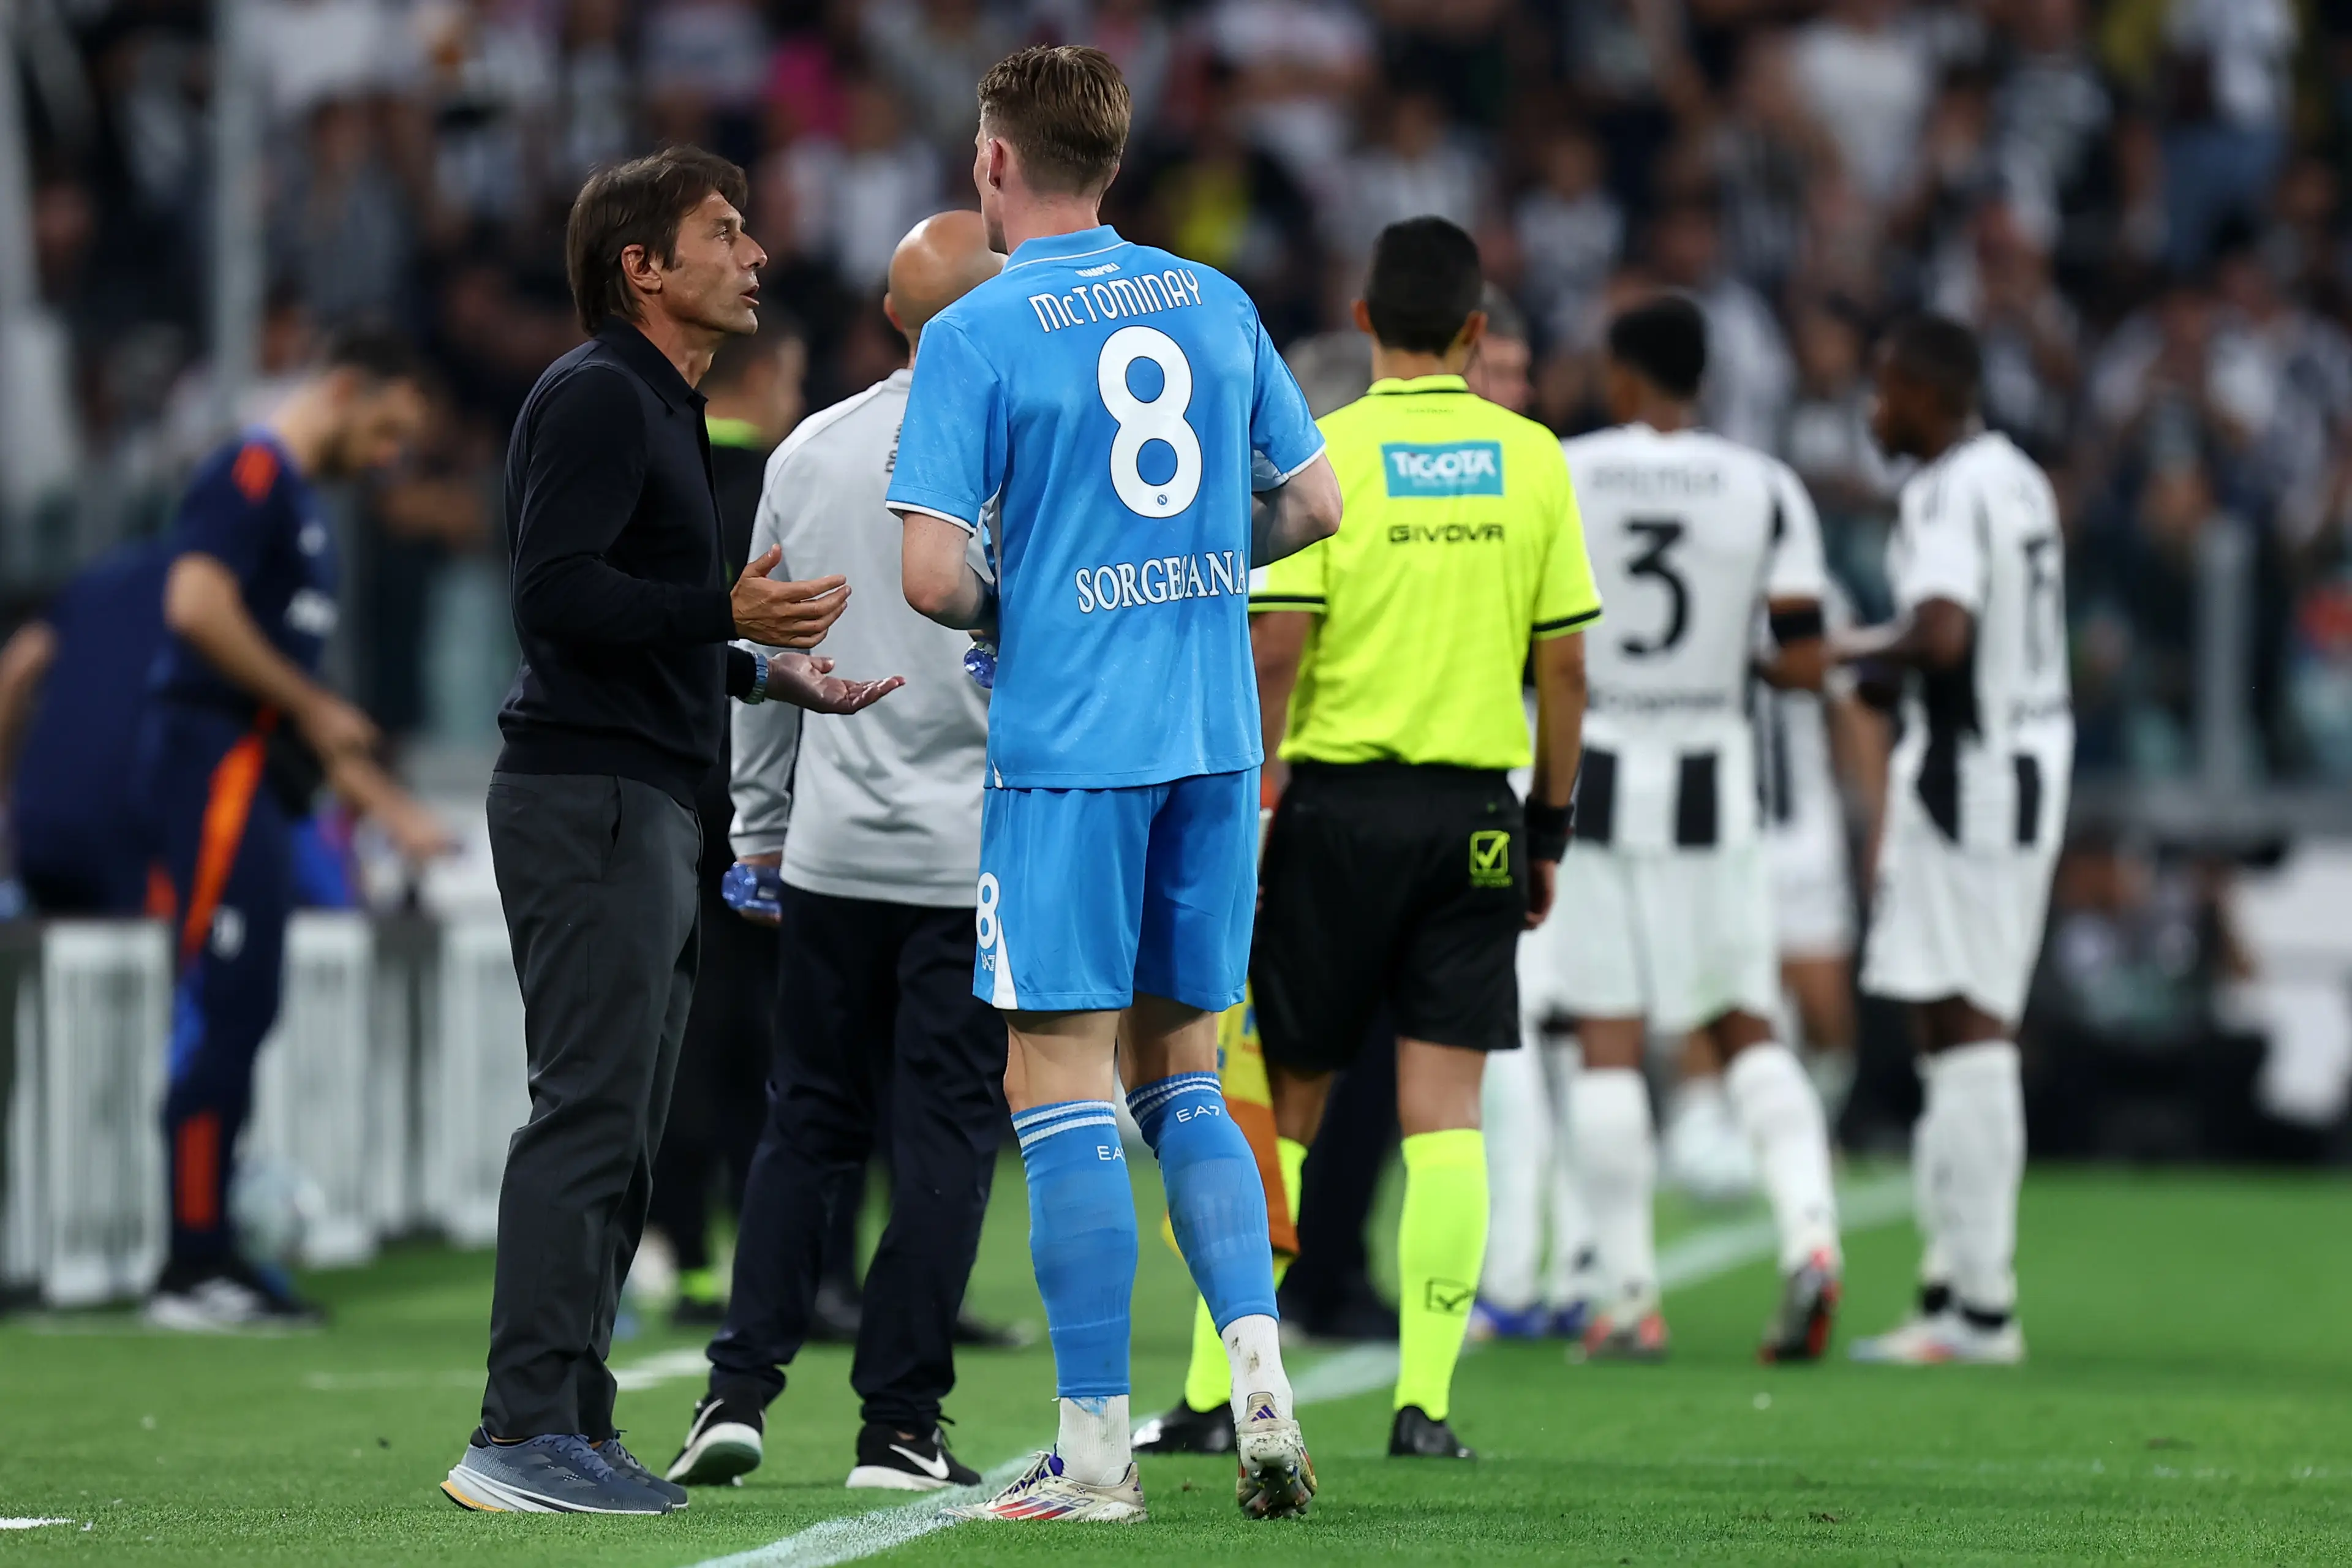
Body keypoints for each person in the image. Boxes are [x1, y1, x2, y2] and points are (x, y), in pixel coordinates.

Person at [888, 45, 1341, 1523]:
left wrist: (1034, 599)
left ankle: (1094, 1456)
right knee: (1188, 1073)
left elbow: (933, 571)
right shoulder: (1214, 302)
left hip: (1070, 754)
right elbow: (1314, 503)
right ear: (1115, 162)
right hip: (1212, 739)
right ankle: (1260, 1384)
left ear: (993, 163)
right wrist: (1195, 568)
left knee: (1060, 1077)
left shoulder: (975, 331)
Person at [443, 147, 902, 1519]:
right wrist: (727, 618)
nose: (754, 254)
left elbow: (632, 617)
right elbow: (558, 599)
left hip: (639, 792)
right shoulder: (597, 394)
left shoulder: (653, 403)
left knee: (631, 1119)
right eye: (723, 230)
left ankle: (572, 1418)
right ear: (641, 265)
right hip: (588, 798)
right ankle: (521, 1426)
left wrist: (763, 670)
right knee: (589, 1106)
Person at [665, 210, 1011, 1494]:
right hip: (976, 855)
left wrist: (757, 831)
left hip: (831, 851)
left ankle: (733, 1388)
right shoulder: (1031, 447)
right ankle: (899, 1426)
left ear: (891, 315)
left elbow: (772, 658)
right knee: (942, 1133)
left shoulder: (808, 449)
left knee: (803, 1119)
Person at [1251, 216, 1599, 1460]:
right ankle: (1428, 1405)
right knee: (1445, 1113)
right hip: (1476, 817)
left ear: (1362, 325)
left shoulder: (1324, 452)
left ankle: (1215, 1387)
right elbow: (1562, 671)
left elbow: (1278, 650)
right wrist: (1551, 822)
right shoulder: (1535, 460)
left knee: (1281, 1107)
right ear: (1476, 332)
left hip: (1338, 808)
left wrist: (1252, 807)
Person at [127, 328, 455, 1330]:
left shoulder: (302, 503)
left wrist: (389, 809)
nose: (392, 456)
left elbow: (300, 709)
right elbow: (194, 605)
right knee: (222, 1005)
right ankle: (188, 1267)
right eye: (389, 428)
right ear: (348, 388)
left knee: (247, 1004)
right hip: (214, 770)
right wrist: (310, 705)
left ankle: (214, 1246)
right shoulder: (251, 469)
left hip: (260, 773)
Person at [1540, 295, 1845, 1364]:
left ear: (1622, 377)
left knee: (1608, 1035)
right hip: (1718, 777)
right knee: (1741, 1022)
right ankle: (1812, 1235)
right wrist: (1734, 662)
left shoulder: (1568, 469)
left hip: (1603, 772)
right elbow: (1806, 664)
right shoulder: (1763, 485)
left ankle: (1629, 1298)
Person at [1842, 315, 2070, 1367]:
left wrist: (1841, 652)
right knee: (1949, 1022)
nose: (1876, 410)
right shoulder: (2016, 476)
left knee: (1971, 1024)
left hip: (1971, 773)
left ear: (1930, 395)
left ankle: (1983, 1306)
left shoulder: (1946, 487)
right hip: (2007, 762)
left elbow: (1944, 634)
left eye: (1886, 390)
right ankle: (1951, 1289)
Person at [644, 315, 805, 1329]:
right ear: (772, 373)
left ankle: (682, 1247)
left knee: (679, 1018)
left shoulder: (658, 472)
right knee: (762, 1022)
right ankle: (770, 1249)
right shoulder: (790, 489)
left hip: (668, 773)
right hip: (765, 786)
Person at [0, 542, 175, 918]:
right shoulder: (212, 592)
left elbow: (17, 667)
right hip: (130, 826)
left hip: (43, 819)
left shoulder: (99, 580)